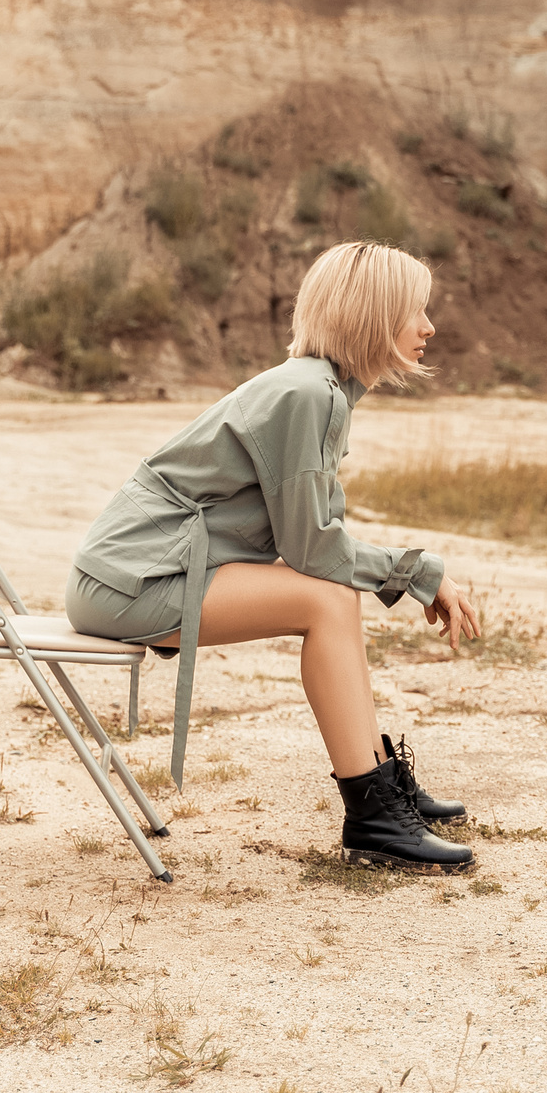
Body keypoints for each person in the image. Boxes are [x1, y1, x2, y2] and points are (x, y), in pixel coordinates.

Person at [66, 240, 480, 872]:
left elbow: (315, 539)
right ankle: (372, 813)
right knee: (324, 596)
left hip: (148, 570)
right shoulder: (307, 394)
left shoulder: (320, 389)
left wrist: (408, 572)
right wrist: (422, 574)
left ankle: (380, 787)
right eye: (414, 311)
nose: (430, 328)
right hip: (134, 581)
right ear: (372, 314)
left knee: (331, 595)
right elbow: (312, 546)